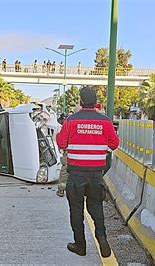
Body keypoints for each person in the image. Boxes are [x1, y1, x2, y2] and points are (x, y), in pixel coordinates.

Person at [56, 87, 119, 258]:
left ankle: (80, 246)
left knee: (76, 210)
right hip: (96, 175)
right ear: (96, 102)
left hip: (76, 174)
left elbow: (61, 143)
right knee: (96, 207)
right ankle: (102, 238)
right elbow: (114, 144)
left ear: (81, 101)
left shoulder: (71, 120)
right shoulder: (105, 121)